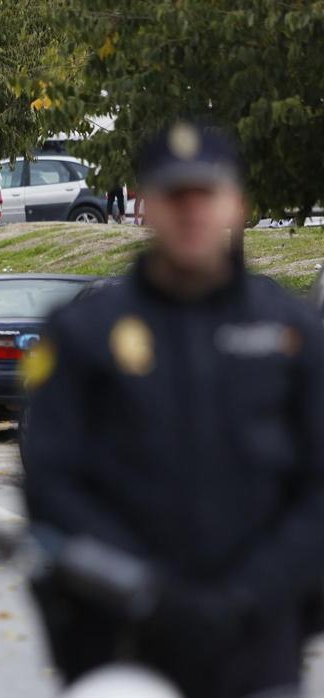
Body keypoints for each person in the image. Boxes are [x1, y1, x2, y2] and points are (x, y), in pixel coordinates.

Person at [21, 122, 324, 698]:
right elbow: (52, 485)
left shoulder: (293, 332)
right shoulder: (84, 331)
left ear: (237, 204)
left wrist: (249, 593)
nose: (191, 211)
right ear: (145, 205)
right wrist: (150, 591)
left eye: (205, 194)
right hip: (123, 643)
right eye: (174, 195)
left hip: (258, 644)